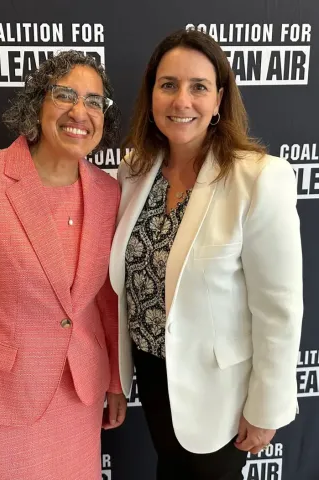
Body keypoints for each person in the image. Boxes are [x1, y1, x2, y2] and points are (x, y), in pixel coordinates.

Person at [0, 50, 127, 480]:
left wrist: (114, 382)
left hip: (78, 400)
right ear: (38, 103)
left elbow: (106, 301)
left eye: (94, 102)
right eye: (65, 94)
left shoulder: (109, 194)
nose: (80, 111)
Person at [109, 29, 303, 480]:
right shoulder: (134, 171)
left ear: (219, 100)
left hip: (220, 392)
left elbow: (279, 308)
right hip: (153, 374)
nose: (182, 101)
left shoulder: (258, 178)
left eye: (199, 87)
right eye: (169, 85)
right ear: (152, 95)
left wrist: (266, 406)